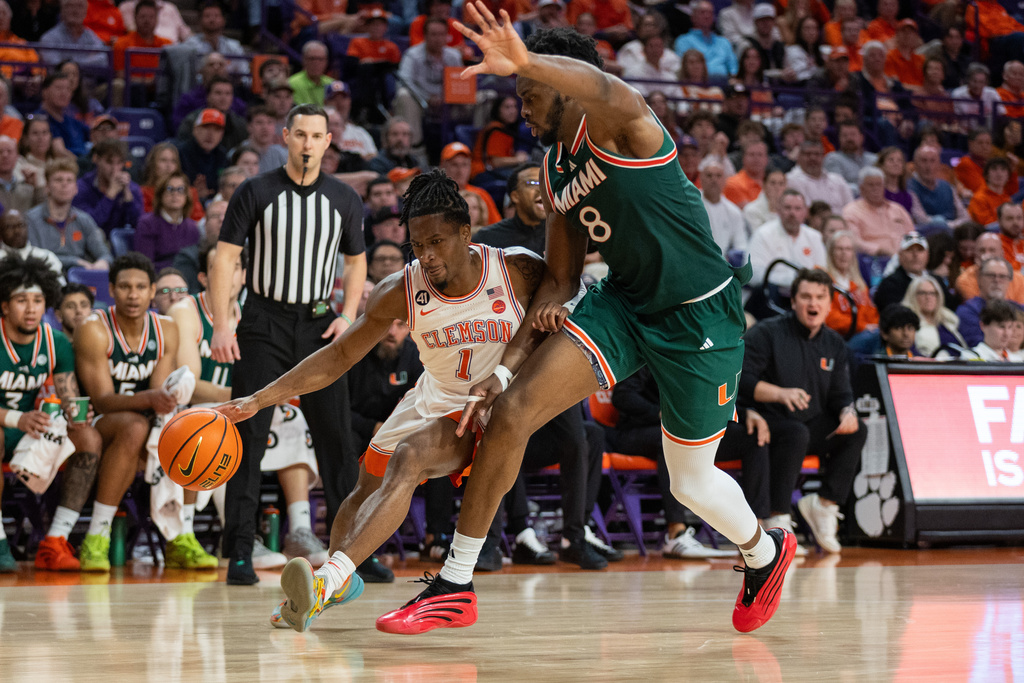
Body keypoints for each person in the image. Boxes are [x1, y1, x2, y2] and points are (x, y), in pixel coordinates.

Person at [375, 17, 796, 635]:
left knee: (690, 483)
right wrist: (507, 366)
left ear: (562, 83)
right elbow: (561, 278)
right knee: (512, 410)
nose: (522, 109)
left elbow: (599, 84)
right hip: (625, 303)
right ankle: (455, 584)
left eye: (529, 94)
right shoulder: (553, 169)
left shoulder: (624, 120)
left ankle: (764, 551)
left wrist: (526, 59)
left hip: (699, 313)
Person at [214, 168, 548, 628]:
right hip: (432, 394)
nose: (426, 256)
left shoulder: (517, 269)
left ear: (466, 233)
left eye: (437, 242)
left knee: (409, 459)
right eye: (417, 245)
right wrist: (260, 398)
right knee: (360, 494)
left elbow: (562, 298)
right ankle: (331, 587)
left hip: (489, 405)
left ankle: (326, 580)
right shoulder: (400, 289)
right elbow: (338, 356)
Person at [209, 103, 369, 586]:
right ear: (285, 137)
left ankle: (352, 554)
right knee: (247, 434)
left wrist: (347, 316)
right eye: (299, 134)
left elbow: (356, 262)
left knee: (336, 439)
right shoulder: (255, 190)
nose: (307, 144)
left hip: (319, 325)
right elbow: (224, 258)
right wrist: (222, 324)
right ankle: (240, 550)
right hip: (264, 320)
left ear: (328, 142)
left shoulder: (343, 197)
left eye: (316, 136)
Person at [473, 161, 612, 569]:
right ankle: (490, 542)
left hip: (552, 354)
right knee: (500, 438)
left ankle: (574, 536)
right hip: (504, 354)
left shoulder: (567, 233)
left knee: (577, 439)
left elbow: (576, 290)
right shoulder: (489, 241)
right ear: (513, 196)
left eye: (543, 181)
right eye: (530, 182)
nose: (539, 188)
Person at [169, 243, 327, 569]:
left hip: (246, 407)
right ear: (204, 277)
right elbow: (190, 385)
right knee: (222, 431)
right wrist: (246, 399)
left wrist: (257, 400)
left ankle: (300, 529)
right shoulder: (186, 312)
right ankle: (239, 535)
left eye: (236, 268)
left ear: (245, 275)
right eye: (220, 268)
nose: (229, 274)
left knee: (292, 417)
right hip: (197, 412)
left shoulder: (254, 314)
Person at [75, 252, 218, 571]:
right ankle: (96, 536)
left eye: (141, 287)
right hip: (99, 423)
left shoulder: (166, 328)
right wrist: (152, 399)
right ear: (111, 290)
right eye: (125, 287)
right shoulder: (94, 329)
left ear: (152, 291)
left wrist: (164, 405)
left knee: (191, 430)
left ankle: (183, 536)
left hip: (142, 418)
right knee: (134, 427)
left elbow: (159, 393)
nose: (133, 295)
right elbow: (102, 400)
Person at [741, 268, 867, 555]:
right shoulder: (767, 332)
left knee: (856, 430)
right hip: (768, 423)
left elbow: (841, 393)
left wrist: (847, 411)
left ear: (829, 304)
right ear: (793, 301)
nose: (813, 303)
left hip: (809, 425)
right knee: (795, 433)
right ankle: (777, 518)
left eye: (820, 297)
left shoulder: (834, 343)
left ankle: (824, 505)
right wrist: (779, 393)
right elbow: (740, 379)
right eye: (806, 297)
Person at [0, 255, 104, 572]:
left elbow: (69, 396)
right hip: (9, 426)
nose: (31, 309)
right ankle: (0, 541)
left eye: (38, 300)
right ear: (4, 306)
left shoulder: (55, 341)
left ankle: (56, 539)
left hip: (31, 429)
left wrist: (75, 413)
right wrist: (18, 419)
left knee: (87, 437)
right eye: (21, 301)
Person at [608, 367, 755, 559]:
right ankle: (675, 534)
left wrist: (744, 413)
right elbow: (623, 396)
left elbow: (714, 396)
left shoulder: (699, 361)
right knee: (672, 441)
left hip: (688, 430)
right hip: (638, 430)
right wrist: (660, 413)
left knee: (753, 438)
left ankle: (755, 534)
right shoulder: (651, 354)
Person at [25, 158, 112, 271]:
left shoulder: (84, 219)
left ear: (76, 188)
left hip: (80, 277)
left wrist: (103, 262)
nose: (64, 184)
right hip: (45, 275)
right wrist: (74, 262)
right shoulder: (31, 219)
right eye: (58, 180)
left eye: (69, 180)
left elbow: (104, 254)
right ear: (47, 188)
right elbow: (34, 258)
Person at [748, 189, 826, 289]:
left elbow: (822, 271)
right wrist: (790, 280)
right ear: (778, 210)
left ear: (805, 212)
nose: (792, 213)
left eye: (797, 208)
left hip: (809, 292)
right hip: (773, 292)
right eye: (787, 208)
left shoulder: (815, 237)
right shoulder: (763, 234)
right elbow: (753, 274)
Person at [72, 139, 143, 237]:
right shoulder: (80, 187)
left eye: (119, 163)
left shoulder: (131, 188)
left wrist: (128, 198)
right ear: (96, 159)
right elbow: (90, 226)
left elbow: (139, 226)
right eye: (109, 162)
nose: (114, 169)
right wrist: (110, 195)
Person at [842, 167, 914, 258]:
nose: (875, 189)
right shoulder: (852, 211)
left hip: (905, 257)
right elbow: (854, 241)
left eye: (879, 184)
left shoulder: (897, 209)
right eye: (871, 185)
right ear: (861, 188)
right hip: (875, 259)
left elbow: (912, 234)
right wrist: (879, 250)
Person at [135, 172, 201, 272]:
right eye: (170, 189)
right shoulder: (147, 224)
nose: (175, 194)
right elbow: (144, 265)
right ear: (160, 194)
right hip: (159, 277)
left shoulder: (192, 228)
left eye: (180, 189)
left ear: (186, 196)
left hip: (187, 278)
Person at [957, 257, 1023, 346]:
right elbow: (977, 344)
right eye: (991, 275)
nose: (997, 280)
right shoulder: (967, 311)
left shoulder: (1019, 309)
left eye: (1002, 276)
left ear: (1009, 280)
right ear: (979, 279)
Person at [825, 231, 878, 336]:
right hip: (840, 336)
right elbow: (830, 318)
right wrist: (862, 326)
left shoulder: (860, 285)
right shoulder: (825, 281)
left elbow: (870, 313)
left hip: (863, 333)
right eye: (839, 249)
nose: (844, 253)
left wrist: (876, 326)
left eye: (848, 249)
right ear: (831, 253)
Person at [901, 274, 965, 356]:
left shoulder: (948, 321)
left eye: (932, 293)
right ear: (912, 295)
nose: (928, 297)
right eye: (923, 293)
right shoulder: (906, 322)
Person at [139, 142, 205, 222]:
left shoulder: (190, 192)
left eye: (173, 161)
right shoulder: (142, 193)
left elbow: (199, 220)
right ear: (153, 164)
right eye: (163, 160)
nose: (168, 165)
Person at [176, 109, 230, 203]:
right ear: (195, 129)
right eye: (206, 127)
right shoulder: (181, 153)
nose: (210, 134)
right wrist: (193, 193)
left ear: (222, 135)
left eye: (216, 130)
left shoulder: (223, 156)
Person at [907, 145, 969, 228]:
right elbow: (921, 220)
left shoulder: (948, 187)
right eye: (924, 161)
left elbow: (964, 217)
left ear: (939, 164)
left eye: (932, 161)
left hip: (952, 230)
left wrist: (949, 225)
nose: (928, 166)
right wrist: (943, 225)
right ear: (915, 164)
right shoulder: (909, 187)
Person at [471, 95, 530, 180]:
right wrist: (519, 159)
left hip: (496, 171)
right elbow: (496, 162)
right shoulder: (495, 129)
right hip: (482, 172)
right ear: (497, 110)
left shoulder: (506, 129)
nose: (512, 111)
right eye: (507, 107)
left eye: (514, 107)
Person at [673, 0, 737, 77]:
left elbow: (734, 70)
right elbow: (683, 70)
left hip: (724, 83)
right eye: (702, 12)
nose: (707, 16)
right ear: (693, 17)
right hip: (695, 83)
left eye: (710, 13)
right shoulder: (683, 41)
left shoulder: (724, 42)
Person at [786, 141, 853, 213]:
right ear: (799, 157)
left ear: (823, 157)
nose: (813, 158)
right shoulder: (791, 180)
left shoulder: (837, 180)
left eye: (817, 154)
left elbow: (851, 207)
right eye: (808, 154)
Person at [38, 0, 107, 70]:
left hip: (88, 77)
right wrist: (88, 62)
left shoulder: (91, 36)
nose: (75, 11)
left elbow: (103, 60)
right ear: (62, 10)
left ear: (86, 11)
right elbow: (54, 66)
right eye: (70, 6)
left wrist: (71, 65)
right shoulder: (49, 38)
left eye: (80, 6)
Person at [700, 156, 747, 255]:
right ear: (701, 179)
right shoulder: (690, 205)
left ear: (725, 180)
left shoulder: (734, 212)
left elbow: (741, 245)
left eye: (718, 176)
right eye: (709, 175)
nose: (714, 180)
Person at [0, 210, 64, 281]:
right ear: (1, 232)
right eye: (9, 227)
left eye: (21, 225)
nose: (17, 231)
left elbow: (60, 286)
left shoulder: (46, 257)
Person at [824, 122, 878, 195]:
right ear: (839, 138)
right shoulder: (833, 159)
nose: (849, 138)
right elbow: (838, 187)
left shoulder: (874, 159)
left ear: (861, 137)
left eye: (853, 134)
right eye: (845, 135)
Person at [723, 140, 768, 209]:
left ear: (767, 159)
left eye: (760, 154)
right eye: (751, 154)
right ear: (743, 158)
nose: (756, 159)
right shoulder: (732, 184)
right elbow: (748, 211)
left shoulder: (774, 183)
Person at [967, 160, 1013, 226]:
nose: (999, 174)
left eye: (1003, 169)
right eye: (994, 169)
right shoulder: (979, 198)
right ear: (986, 176)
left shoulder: (1006, 197)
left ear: (1008, 176)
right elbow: (986, 225)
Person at [997, 202, 1024, 271]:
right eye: (1009, 218)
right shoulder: (995, 244)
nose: (1015, 222)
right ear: (999, 221)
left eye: (1019, 218)